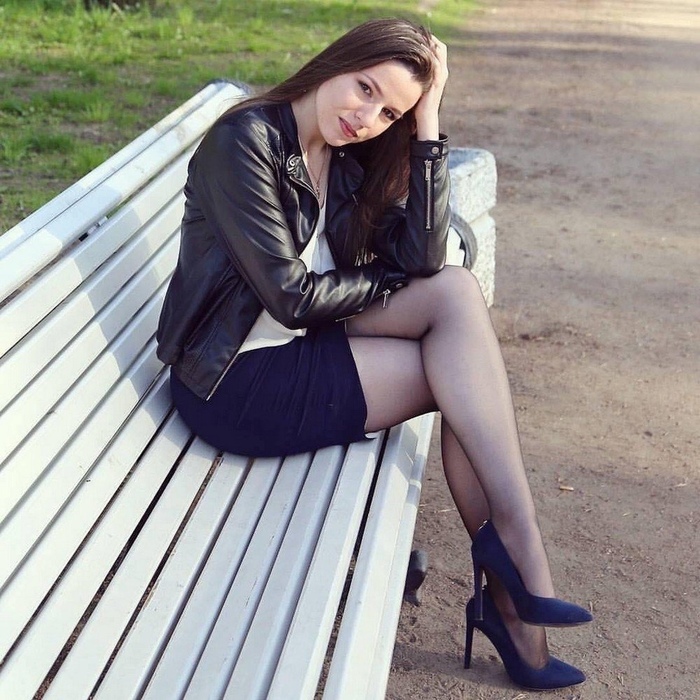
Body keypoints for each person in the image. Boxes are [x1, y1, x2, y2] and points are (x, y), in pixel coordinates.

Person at [156, 18, 591, 690]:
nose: (366, 117)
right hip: (234, 381)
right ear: (337, 62)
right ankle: (516, 581)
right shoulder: (246, 141)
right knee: (460, 375)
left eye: (389, 111)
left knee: (455, 300)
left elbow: (424, 258)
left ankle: (514, 561)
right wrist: (386, 282)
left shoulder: (342, 153)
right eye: (364, 89)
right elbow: (291, 298)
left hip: (301, 346)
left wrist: (427, 126)